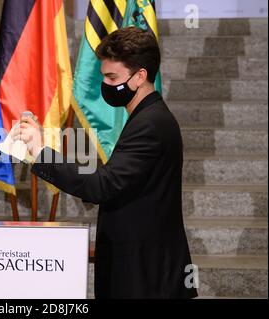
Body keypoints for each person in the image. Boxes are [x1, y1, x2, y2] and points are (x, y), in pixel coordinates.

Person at [13, 26, 198, 299]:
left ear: (140, 77)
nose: (106, 86)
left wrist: (41, 150)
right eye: (104, 76)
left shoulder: (150, 124)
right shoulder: (146, 118)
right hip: (142, 268)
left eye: (113, 77)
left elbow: (102, 185)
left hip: (147, 276)